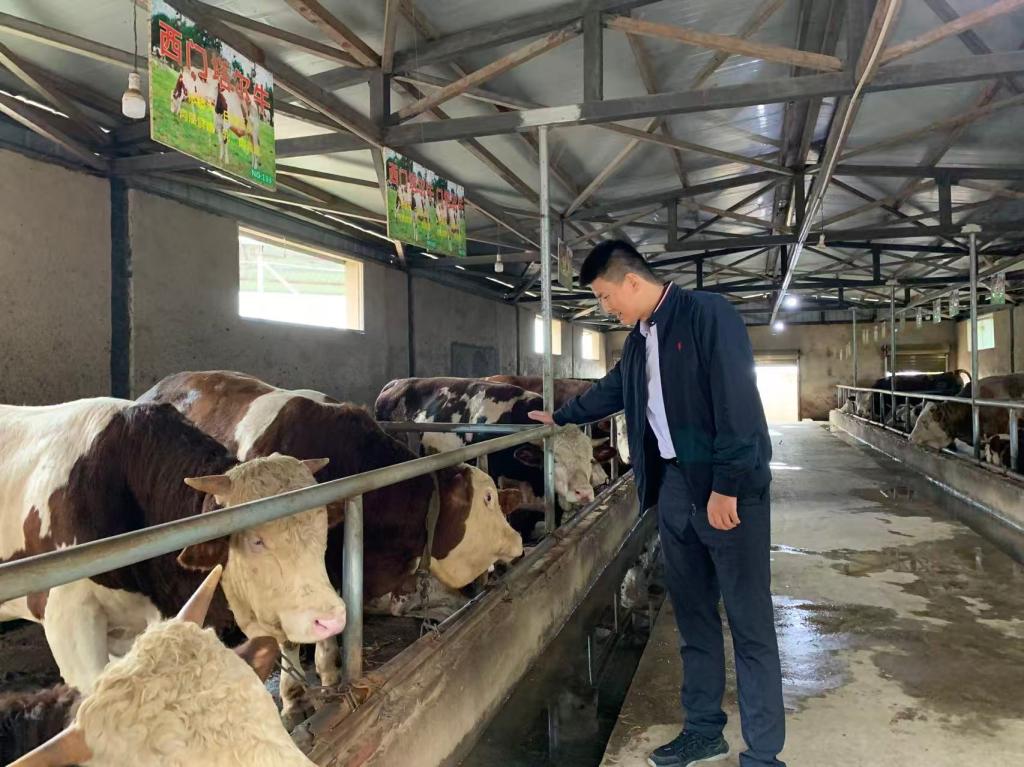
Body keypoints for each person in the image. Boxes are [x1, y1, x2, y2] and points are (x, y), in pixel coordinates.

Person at [529, 240, 785, 767]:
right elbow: (613, 390)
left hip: (726, 490)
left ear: (631, 281)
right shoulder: (638, 341)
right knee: (693, 617)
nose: (606, 308)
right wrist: (563, 415)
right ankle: (703, 730)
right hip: (674, 489)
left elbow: (738, 404)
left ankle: (763, 754)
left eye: (605, 297)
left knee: (749, 622)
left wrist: (727, 486)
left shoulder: (708, 316)